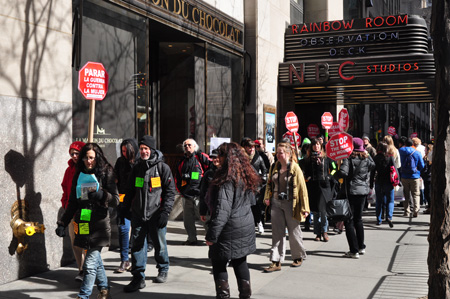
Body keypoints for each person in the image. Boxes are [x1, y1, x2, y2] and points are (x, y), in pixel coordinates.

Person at [56, 143, 119, 299]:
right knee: (94, 259)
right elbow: (73, 201)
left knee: (89, 263)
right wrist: (63, 222)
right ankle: (104, 289)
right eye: (85, 157)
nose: (88, 161)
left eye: (91, 157)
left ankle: (83, 296)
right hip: (83, 221)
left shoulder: (107, 172)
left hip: (99, 223)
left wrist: (101, 194)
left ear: (97, 157)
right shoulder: (79, 174)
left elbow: (115, 200)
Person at [205, 142, 261, 299]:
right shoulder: (244, 175)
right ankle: (245, 295)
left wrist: (212, 235)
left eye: (221, 155)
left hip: (229, 228)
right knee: (240, 261)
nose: (218, 158)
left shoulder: (226, 179)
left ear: (227, 157)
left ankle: (223, 296)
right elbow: (252, 201)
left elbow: (222, 211)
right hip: (244, 224)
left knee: (219, 262)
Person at [123, 136, 176, 292]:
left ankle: (163, 268)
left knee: (160, 245)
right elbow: (130, 190)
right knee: (137, 246)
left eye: (146, 149)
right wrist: (125, 208)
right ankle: (138, 278)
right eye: (141, 149)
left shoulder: (162, 168)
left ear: (152, 150)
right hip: (139, 215)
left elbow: (170, 192)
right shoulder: (137, 168)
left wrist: (165, 212)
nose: (143, 151)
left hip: (156, 214)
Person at [263, 142, 309, 273]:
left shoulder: (295, 168)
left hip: (291, 204)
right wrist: (267, 197)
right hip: (276, 203)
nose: (278, 155)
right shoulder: (274, 167)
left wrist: (305, 208)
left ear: (288, 154)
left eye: (281, 152)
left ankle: (297, 256)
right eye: (277, 152)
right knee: (277, 233)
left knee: (294, 232)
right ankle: (275, 261)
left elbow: (302, 189)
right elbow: (269, 184)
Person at [337, 138, 375, 259]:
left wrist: (337, 171)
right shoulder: (366, 158)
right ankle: (361, 246)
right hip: (362, 192)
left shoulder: (349, 158)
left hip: (351, 192)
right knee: (358, 219)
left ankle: (353, 250)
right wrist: (368, 155)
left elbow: (343, 172)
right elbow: (373, 166)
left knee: (349, 220)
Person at [175, 138, 211, 245]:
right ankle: (192, 239)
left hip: (199, 196)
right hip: (186, 196)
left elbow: (212, 166)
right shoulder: (181, 162)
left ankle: (211, 238)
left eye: (189, 145)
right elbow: (177, 178)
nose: (187, 147)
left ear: (195, 146)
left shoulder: (201, 157)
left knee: (204, 218)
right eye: (185, 146)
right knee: (188, 221)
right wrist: (181, 192)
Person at [60, 141, 86, 282]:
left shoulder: (87, 169)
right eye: (72, 154)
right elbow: (65, 189)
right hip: (71, 212)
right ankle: (81, 269)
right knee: (75, 241)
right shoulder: (69, 170)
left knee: (85, 240)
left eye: (77, 153)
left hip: (85, 212)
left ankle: (89, 269)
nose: (74, 156)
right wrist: (65, 204)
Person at [300, 138, 336, 242]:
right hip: (313, 186)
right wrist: (308, 177)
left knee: (324, 211)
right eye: (314, 145)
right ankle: (317, 233)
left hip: (325, 187)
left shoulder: (326, 158)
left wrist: (329, 176)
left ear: (321, 146)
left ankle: (324, 232)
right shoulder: (308, 159)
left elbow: (334, 168)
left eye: (318, 144)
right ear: (311, 147)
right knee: (315, 212)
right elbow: (304, 171)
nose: (316, 146)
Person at [113, 138, 139, 273]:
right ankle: (124, 260)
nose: (124, 154)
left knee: (137, 233)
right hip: (123, 201)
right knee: (123, 229)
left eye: (126, 151)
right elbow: (115, 178)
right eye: (122, 151)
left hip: (137, 203)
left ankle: (137, 261)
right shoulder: (120, 162)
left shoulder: (139, 163)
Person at [241, 137, 267, 234]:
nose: (252, 149)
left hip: (256, 186)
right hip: (245, 186)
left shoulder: (259, 157)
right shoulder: (242, 159)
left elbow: (265, 170)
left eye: (253, 147)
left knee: (256, 206)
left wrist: (262, 179)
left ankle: (259, 222)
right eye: (249, 147)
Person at [370, 142, 398, 227]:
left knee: (379, 201)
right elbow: (395, 170)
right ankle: (389, 216)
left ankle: (379, 219)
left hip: (379, 181)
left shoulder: (375, 158)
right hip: (388, 181)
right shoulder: (390, 158)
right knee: (390, 200)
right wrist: (398, 181)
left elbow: (372, 172)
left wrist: (371, 183)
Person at [399, 138, 425, 217]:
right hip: (415, 176)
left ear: (405, 144)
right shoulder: (417, 152)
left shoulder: (401, 151)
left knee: (406, 194)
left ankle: (406, 211)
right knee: (416, 194)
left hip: (404, 175)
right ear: (412, 144)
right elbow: (422, 165)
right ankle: (416, 210)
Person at [199, 149, 220, 226]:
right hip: (212, 207)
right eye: (213, 158)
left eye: (216, 157)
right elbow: (203, 193)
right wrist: (202, 211)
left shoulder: (227, 172)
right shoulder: (209, 173)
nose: (215, 160)